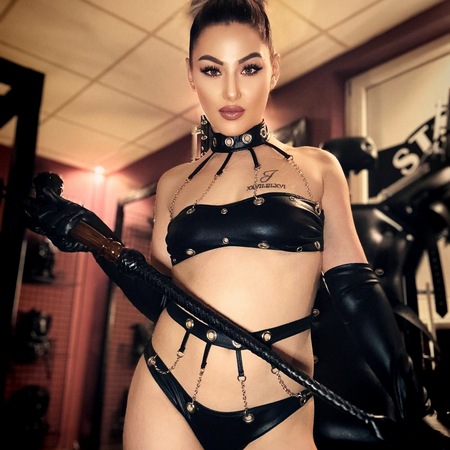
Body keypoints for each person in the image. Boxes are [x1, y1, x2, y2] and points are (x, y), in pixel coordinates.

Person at [25, 1, 448, 449]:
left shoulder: (317, 168)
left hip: (279, 406)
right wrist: (94, 238)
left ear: (274, 68)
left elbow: (355, 287)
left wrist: (415, 403)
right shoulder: (172, 183)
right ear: (191, 74)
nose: (230, 91)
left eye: (249, 68)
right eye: (212, 70)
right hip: (165, 391)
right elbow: (161, 297)